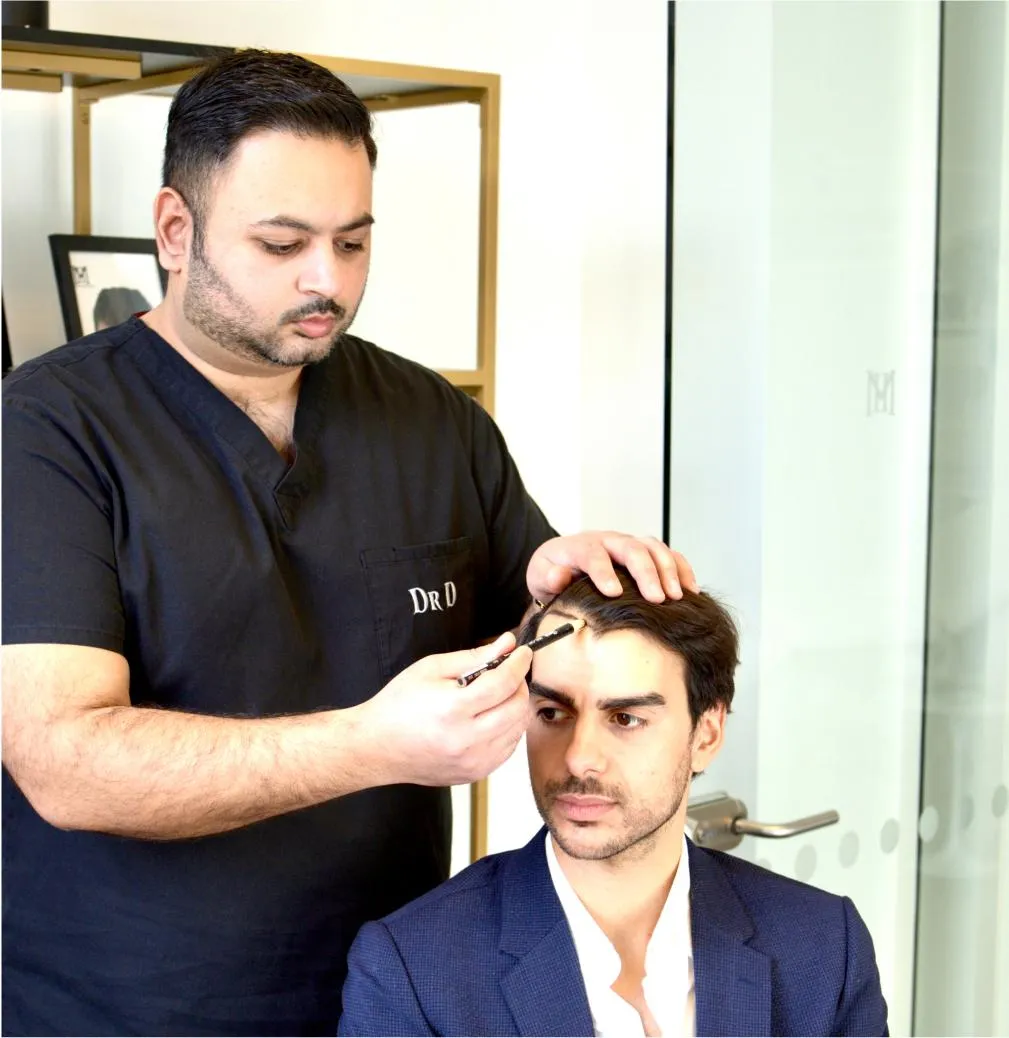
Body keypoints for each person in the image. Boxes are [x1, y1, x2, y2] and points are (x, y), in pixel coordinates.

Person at [0, 50, 696, 1037]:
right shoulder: (45, 433)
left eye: (353, 242)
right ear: (174, 231)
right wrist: (371, 744)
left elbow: (541, 640)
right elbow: (65, 762)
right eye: (282, 243)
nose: (326, 280)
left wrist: (568, 596)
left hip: (395, 998)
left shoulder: (429, 420)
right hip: (127, 1010)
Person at [339, 569, 889, 1037]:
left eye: (625, 718)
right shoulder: (410, 971)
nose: (580, 758)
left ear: (707, 733)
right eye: (553, 713)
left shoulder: (825, 947)